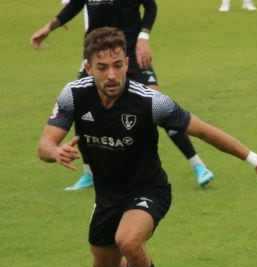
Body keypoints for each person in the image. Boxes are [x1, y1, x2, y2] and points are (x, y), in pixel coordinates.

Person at [37, 27, 257, 267]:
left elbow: (204, 131)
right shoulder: (73, 95)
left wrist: (256, 160)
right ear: (88, 67)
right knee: (103, 264)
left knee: (130, 242)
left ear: (127, 62)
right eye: (102, 67)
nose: (111, 74)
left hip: (149, 189)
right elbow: (44, 144)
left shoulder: (150, 101)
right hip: (109, 194)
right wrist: (55, 152)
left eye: (118, 65)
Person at [31, 1, 217, 193]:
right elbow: (75, 5)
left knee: (160, 107)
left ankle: (197, 165)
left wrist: (143, 37)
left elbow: (151, 6)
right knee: (82, 107)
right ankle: (89, 173)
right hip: (98, 56)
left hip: (130, 52)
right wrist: (49, 27)